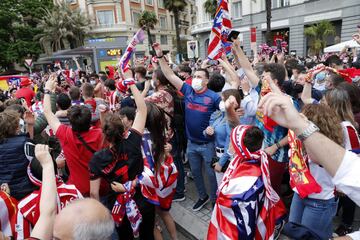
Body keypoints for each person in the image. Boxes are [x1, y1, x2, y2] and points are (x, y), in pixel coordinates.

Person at [154, 42, 221, 210]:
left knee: (211, 176)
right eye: (195, 76)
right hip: (191, 144)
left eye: (199, 77)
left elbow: (224, 115)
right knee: (196, 174)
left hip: (207, 145)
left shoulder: (214, 97)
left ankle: (214, 200)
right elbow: (169, 75)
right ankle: (202, 196)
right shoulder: (188, 91)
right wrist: (160, 56)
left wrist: (215, 126)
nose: (196, 79)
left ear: (206, 80)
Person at [89, 70, 154, 239]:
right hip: (142, 199)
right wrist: (130, 81)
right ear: (123, 129)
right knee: (147, 234)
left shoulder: (97, 159)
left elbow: (94, 193)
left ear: (104, 133)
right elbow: (142, 109)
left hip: (117, 204)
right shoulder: (132, 140)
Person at [207, 125, 286, 239]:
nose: (230, 144)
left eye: (232, 142)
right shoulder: (258, 160)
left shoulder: (242, 184)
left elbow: (228, 206)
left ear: (240, 148)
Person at [43, 74, 103, 196]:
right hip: (102, 187)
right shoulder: (100, 135)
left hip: (77, 190)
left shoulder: (64, 133)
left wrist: (47, 90)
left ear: (71, 120)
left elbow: (47, 112)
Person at [287, 104, 342, 239]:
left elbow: (316, 158)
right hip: (299, 194)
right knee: (293, 233)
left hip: (320, 201)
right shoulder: (299, 142)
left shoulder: (329, 146)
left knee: (310, 237)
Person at [0, 110, 34, 200]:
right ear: (15, 127)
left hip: (4, 193)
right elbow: (35, 163)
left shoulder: (23, 141)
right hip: (26, 190)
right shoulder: (24, 142)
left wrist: (30, 125)